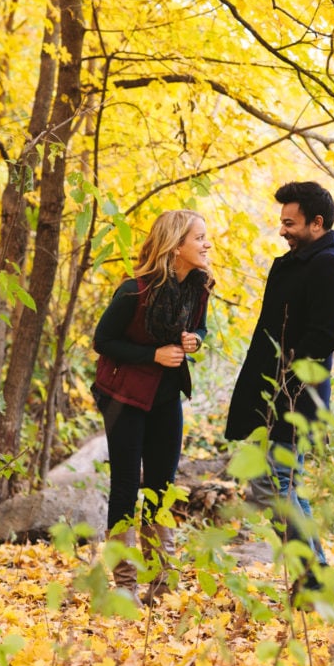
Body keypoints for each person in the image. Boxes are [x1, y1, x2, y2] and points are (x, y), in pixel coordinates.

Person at [225, 181, 334, 603]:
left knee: (273, 485)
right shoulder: (295, 262)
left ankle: (312, 578)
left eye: (290, 222)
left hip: (293, 397)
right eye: (281, 222)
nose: (282, 230)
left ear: (317, 223)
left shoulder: (328, 264)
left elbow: (324, 337)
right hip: (269, 393)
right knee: (281, 486)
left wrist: (286, 380)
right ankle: (316, 579)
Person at [92, 209, 213, 606]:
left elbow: (201, 328)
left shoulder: (199, 287)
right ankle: (125, 586)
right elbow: (103, 341)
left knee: (161, 488)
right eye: (199, 238)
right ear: (177, 245)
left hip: (165, 396)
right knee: (126, 486)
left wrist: (195, 338)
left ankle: (161, 586)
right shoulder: (134, 291)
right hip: (124, 396)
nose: (206, 244)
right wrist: (153, 355)